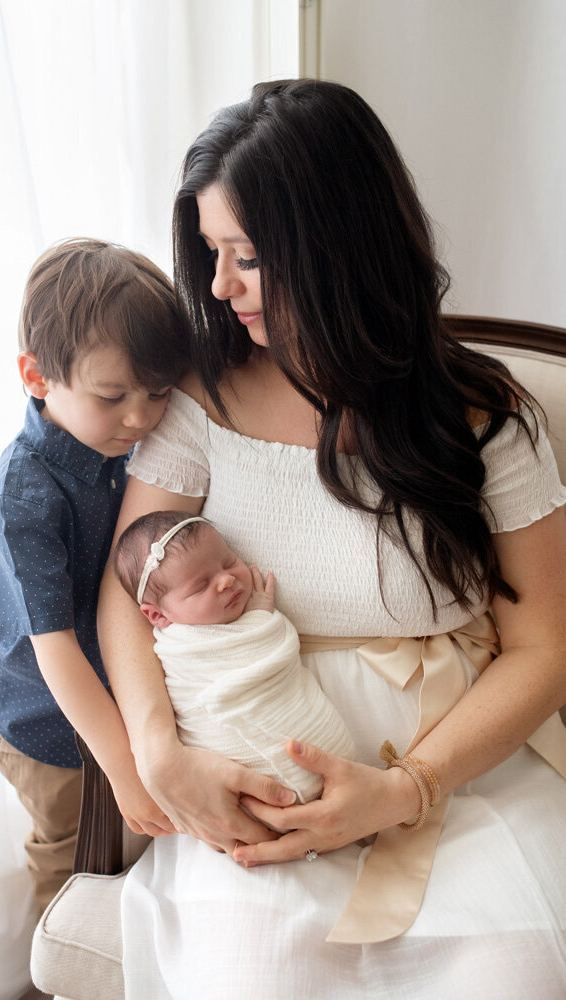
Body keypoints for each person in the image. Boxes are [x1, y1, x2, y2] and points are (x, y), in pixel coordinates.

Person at [97, 80, 566, 998]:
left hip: (460, 786)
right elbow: (129, 589)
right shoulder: (199, 402)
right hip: (255, 788)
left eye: (249, 256)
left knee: (512, 976)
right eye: (211, 253)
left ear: (338, 244)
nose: (221, 287)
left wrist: (410, 787)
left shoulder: (484, 419)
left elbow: (545, 643)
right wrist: (159, 753)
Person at [0, 238, 189, 910]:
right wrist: (123, 766)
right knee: (68, 853)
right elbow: (55, 650)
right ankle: (54, 968)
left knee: (126, 853)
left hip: (116, 688)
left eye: (156, 394)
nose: (140, 417)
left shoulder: (125, 441)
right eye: (112, 396)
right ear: (37, 377)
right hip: (46, 718)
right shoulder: (25, 498)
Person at [114, 510, 355, 803]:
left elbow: (274, 660)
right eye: (201, 585)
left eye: (229, 562)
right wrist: (260, 619)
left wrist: (259, 620)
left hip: (333, 765)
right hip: (241, 780)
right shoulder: (180, 647)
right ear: (158, 615)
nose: (226, 580)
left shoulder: (244, 618)